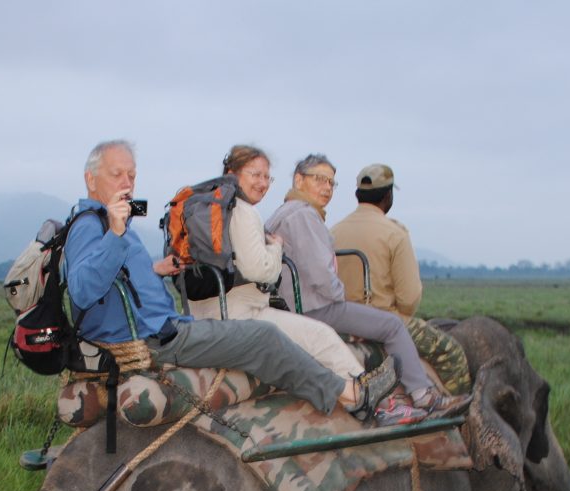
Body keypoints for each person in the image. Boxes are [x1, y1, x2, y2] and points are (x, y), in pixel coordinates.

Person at [63, 140, 391, 423]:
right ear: (90, 178)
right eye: (116, 173)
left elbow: (116, 282)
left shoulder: (109, 222)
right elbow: (83, 290)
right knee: (264, 337)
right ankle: (351, 396)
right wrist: (117, 234)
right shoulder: (91, 226)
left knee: (266, 334)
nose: (127, 182)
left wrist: (155, 270)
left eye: (131, 174)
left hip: (168, 325)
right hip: (159, 337)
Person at [265, 154, 471, 421]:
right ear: (298, 180)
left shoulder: (298, 216)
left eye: (331, 182)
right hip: (316, 307)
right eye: (320, 179)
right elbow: (323, 276)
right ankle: (425, 396)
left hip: (295, 305)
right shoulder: (305, 216)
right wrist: (345, 307)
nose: (327, 188)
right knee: (394, 326)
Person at [187, 144, 371, 403]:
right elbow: (260, 271)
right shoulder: (244, 211)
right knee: (321, 337)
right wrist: (276, 249)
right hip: (242, 315)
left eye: (267, 177)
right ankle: (363, 397)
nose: (263, 183)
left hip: (203, 314)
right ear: (232, 173)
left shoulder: (210, 209)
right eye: (255, 174)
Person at [331, 164, 471, 396]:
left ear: (358, 195)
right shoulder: (395, 233)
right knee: (451, 352)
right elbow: (408, 299)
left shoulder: (334, 230)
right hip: (384, 319)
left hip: (342, 319)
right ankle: (459, 419)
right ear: (388, 196)